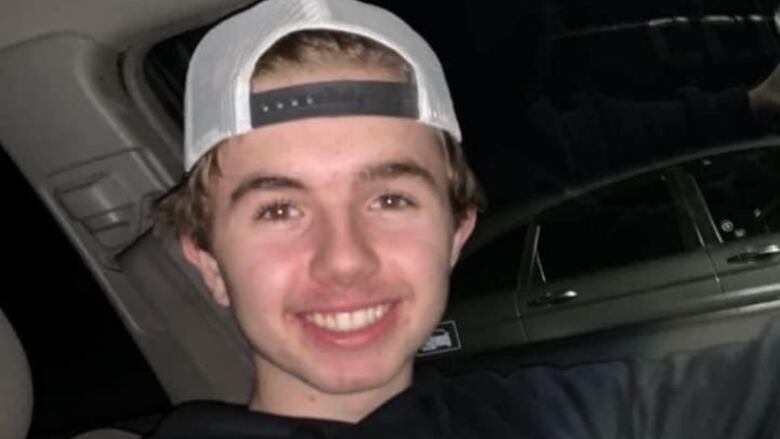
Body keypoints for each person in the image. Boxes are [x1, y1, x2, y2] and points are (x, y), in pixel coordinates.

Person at [150, 0, 780, 437]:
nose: (344, 258)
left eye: (390, 200)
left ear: (456, 234)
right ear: (207, 259)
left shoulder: (574, 419)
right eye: (280, 209)